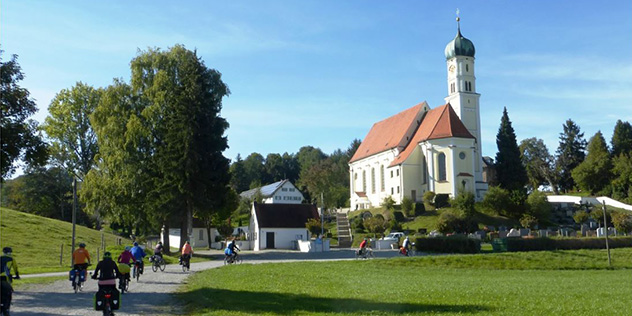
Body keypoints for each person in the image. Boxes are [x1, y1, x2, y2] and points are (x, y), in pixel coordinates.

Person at [1, 247, 20, 315]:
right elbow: (15, 268)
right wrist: (17, 275)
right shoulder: (11, 258)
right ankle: (6, 309)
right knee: (8, 293)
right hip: (5, 278)